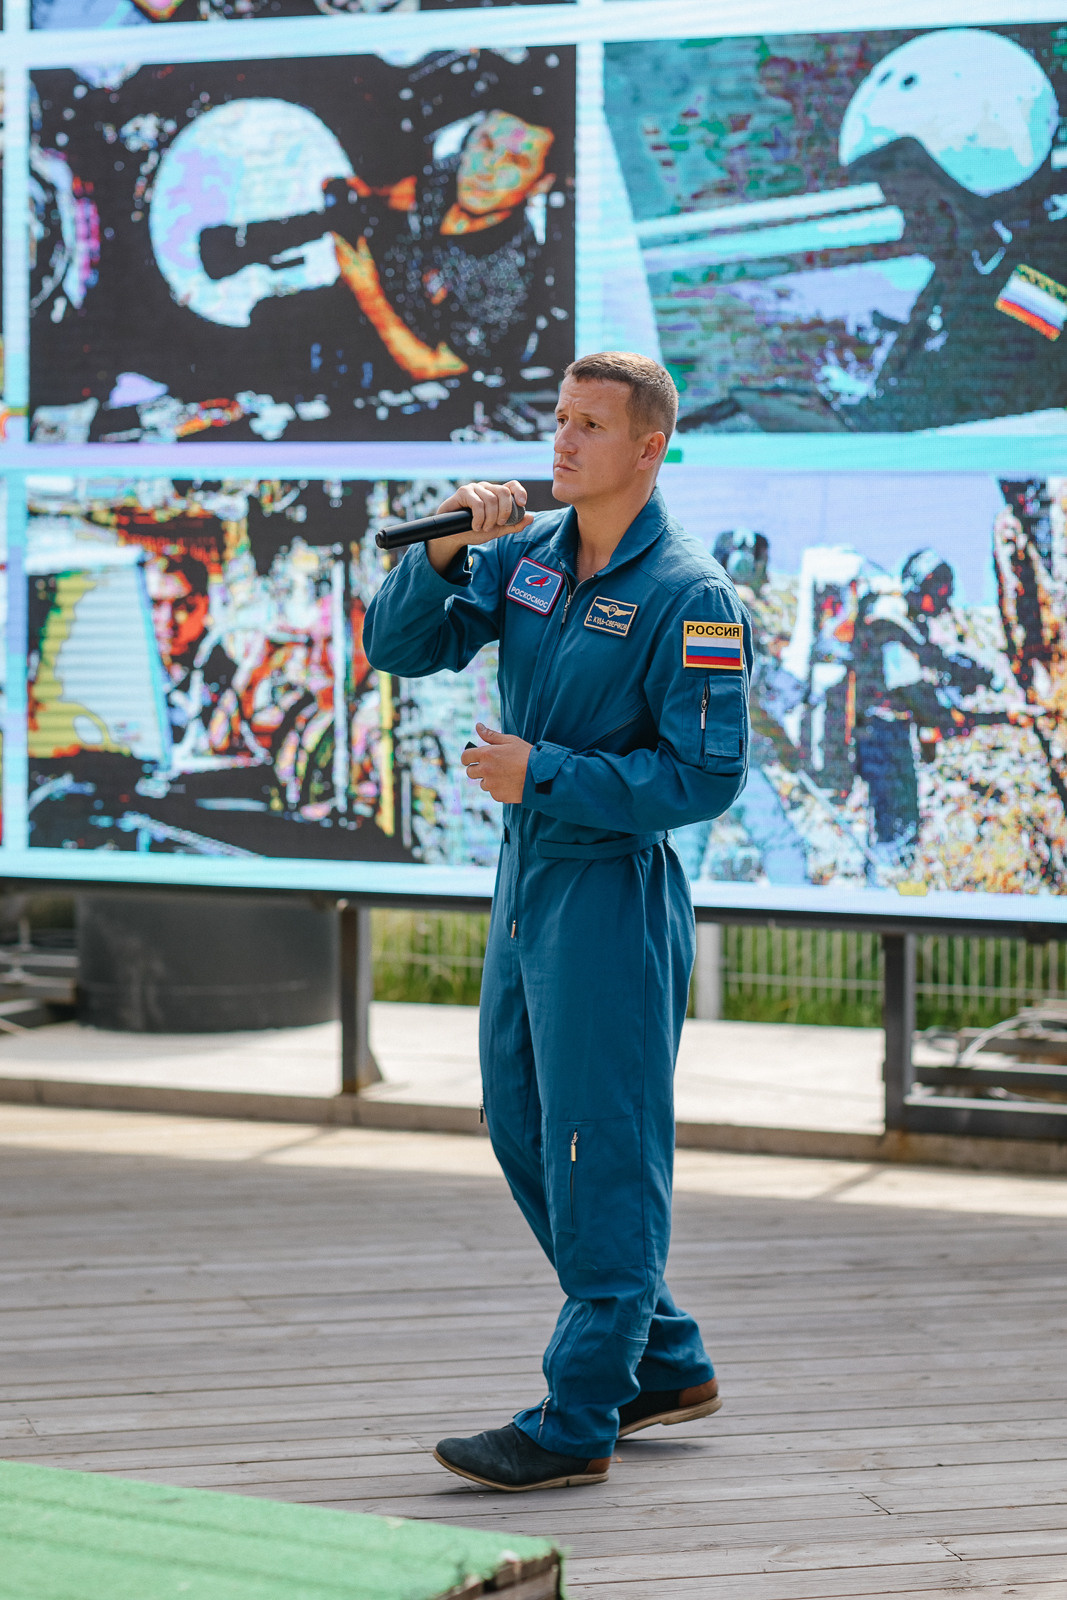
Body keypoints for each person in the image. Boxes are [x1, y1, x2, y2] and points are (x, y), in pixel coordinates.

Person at [363, 351, 752, 1492]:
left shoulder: (690, 593)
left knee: (602, 1150)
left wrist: (545, 772)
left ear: (648, 449)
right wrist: (444, 550)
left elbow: (702, 777)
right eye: (559, 419)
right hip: (527, 883)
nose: (562, 443)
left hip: (610, 894)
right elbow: (401, 649)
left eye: (590, 426)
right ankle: (665, 1359)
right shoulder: (528, 557)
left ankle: (579, 1412)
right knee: (524, 1124)